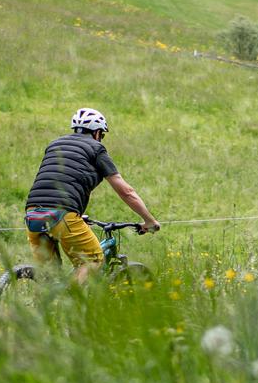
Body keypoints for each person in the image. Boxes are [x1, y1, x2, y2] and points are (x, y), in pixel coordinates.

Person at [23, 107, 160, 283]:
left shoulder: (54, 144)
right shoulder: (96, 148)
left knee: (50, 277)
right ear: (97, 132)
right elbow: (126, 191)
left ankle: (44, 305)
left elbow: (60, 179)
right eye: (102, 135)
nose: (101, 138)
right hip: (63, 214)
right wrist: (149, 221)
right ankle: (71, 302)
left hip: (33, 213)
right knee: (92, 260)